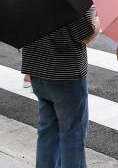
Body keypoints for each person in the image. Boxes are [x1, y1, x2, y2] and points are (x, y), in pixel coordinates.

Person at [21, 9, 99, 167]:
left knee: (47, 132)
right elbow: (85, 35)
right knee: (72, 136)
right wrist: (98, 22)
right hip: (66, 74)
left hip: (37, 70)